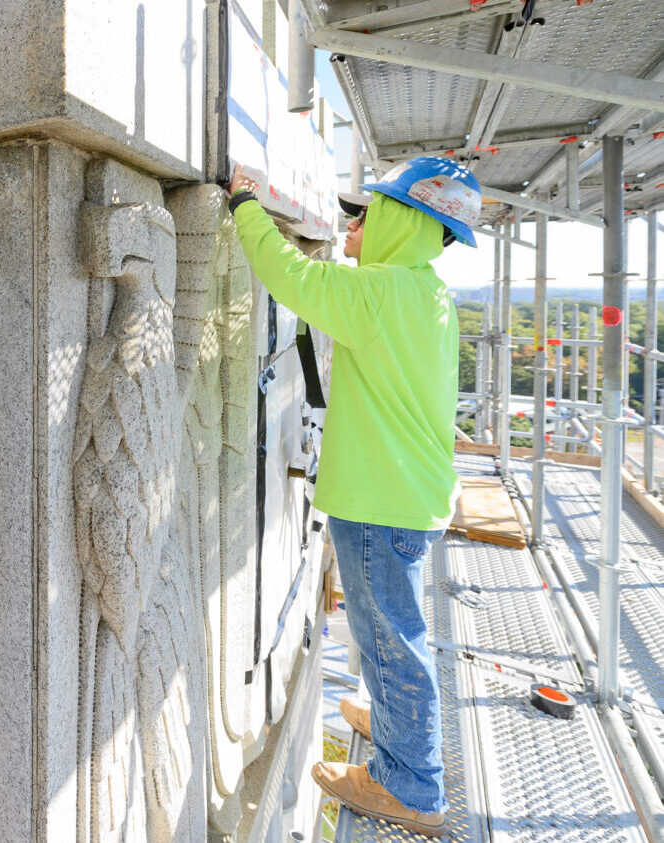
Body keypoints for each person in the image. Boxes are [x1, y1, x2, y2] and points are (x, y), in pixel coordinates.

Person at [227, 156, 481, 838]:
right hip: (404, 496)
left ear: (404, 220)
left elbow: (291, 276)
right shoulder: (421, 290)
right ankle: (400, 726)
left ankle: (410, 786)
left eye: (369, 212)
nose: (355, 223)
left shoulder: (382, 293)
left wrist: (244, 207)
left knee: (390, 639)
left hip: (380, 501)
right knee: (391, 631)